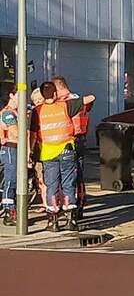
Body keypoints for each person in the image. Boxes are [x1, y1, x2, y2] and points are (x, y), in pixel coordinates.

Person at [32, 82, 94, 231]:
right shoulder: (65, 106)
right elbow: (91, 97)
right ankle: (71, 220)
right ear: (55, 94)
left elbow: (33, 134)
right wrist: (63, 98)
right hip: (66, 150)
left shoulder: (38, 111)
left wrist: (30, 151)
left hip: (48, 153)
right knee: (68, 184)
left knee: (52, 186)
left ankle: (53, 222)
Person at [53, 76, 92, 224]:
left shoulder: (67, 103)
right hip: (80, 140)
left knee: (68, 177)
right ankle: (79, 205)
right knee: (79, 175)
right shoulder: (79, 100)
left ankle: (71, 208)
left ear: (58, 88)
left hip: (70, 141)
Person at [1, 88, 21, 226]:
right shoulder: (8, 113)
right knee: (11, 179)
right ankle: (9, 211)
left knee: (14, 179)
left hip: (14, 148)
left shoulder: (17, 112)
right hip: (10, 148)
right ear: (11, 95)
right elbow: (16, 133)